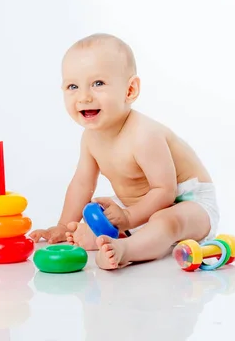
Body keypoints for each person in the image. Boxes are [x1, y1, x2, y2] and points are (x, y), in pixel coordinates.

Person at [29, 33, 220, 269]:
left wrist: (128, 218)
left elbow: (165, 191)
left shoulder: (144, 134)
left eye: (98, 84)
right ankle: (107, 236)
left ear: (130, 90)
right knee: (98, 210)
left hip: (187, 204)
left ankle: (126, 249)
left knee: (166, 220)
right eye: (72, 86)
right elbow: (82, 184)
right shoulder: (90, 138)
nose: (84, 96)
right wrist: (62, 224)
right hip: (136, 208)